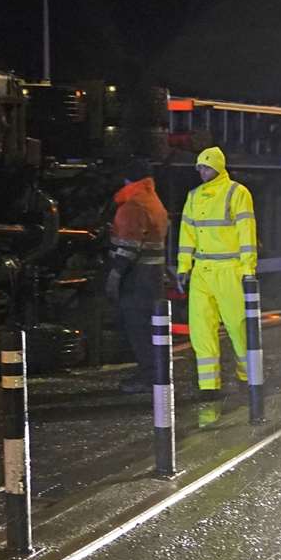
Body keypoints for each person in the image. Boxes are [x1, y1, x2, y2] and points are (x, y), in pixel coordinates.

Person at [176, 146, 257, 408]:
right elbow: (186, 235)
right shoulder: (193, 196)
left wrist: (248, 270)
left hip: (229, 270)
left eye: (206, 166)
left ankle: (248, 376)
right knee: (201, 330)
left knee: (238, 326)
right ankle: (209, 385)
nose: (201, 171)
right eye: (199, 167)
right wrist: (183, 267)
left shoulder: (237, 192)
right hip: (202, 271)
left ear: (219, 167)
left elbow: (247, 233)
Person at [106, 159, 171, 394]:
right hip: (152, 277)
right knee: (150, 328)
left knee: (138, 329)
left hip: (136, 279)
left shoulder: (132, 206)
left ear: (127, 179)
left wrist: (115, 274)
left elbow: (128, 247)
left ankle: (147, 376)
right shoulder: (153, 201)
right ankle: (156, 372)